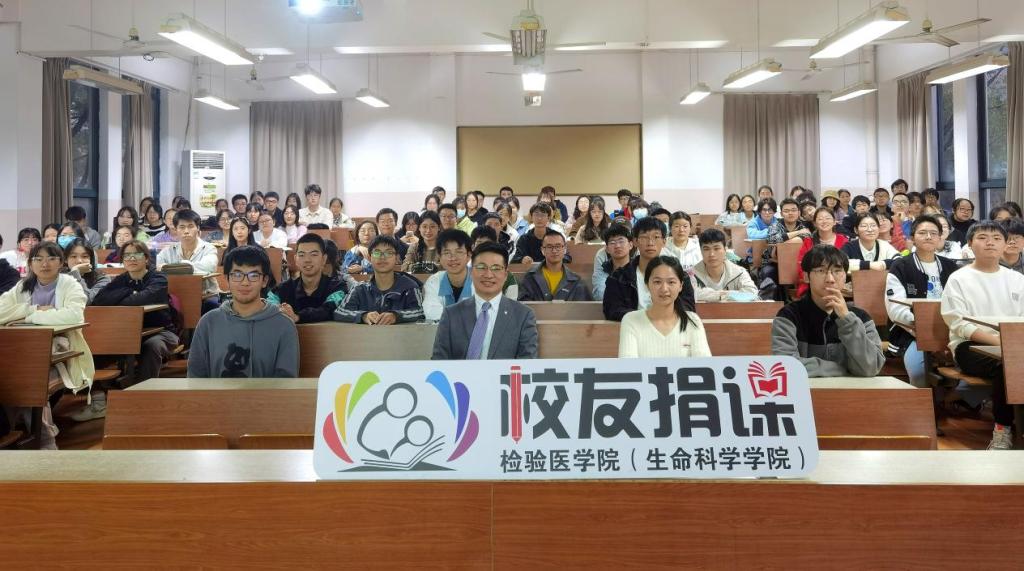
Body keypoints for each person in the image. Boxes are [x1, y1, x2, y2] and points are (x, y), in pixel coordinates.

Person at [0, 242, 94, 448]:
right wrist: (33, 309)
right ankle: (10, 435)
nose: (45, 264)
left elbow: (74, 315)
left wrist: (28, 317)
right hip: (22, 355)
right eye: (38, 259)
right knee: (12, 382)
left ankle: (45, 441)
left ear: (61, 263)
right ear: (30, 263)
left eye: (51, 258)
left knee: (28, 383)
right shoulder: (23, 286)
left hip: (61, 357)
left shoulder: (70, 284)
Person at [940, 221, 1024, 450]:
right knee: (1006, 365)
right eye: (982, 237)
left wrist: (1010, 344)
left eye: (997, 238)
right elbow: (958, 323)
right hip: (969, 346)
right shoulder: (959, 278)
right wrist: (1000, 342)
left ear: (1005, 244)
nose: (990, 243)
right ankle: (1002, 430)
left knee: (1014, 361)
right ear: (970, 243)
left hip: (1013, 346)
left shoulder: (1017, 279)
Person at [80, 240, 179, 420]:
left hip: (162, 332)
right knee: (95, 347)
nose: (132, 258)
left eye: (137, 254)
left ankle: (142, 400)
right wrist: (128, 292)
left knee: (151, 346)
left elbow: (141, 299)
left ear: (146, 258)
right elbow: (100, 300)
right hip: (127, 333)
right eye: (127, 255)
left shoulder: (158, 278)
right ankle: (99, 400)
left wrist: (122, 298)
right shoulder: (122, 279)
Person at [771, 244, 885, 377]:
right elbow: (785, 366)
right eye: (821, 271)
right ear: (806, 276)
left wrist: (847, 319)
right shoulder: (788, 316)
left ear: (845, 276)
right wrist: (840, 369)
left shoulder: (861, 318)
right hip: (806, 389)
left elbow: (872, 367)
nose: (830, 279)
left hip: (851, 390)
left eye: (837, 271)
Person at [187, 246, 299, 378]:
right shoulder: (208, 323)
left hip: (268, 393)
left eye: (253, 275)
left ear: (264, 281)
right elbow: (195, 376)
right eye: (237, 275)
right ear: (227, 279)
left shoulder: (284, 325)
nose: (245, 282)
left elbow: (286, 380)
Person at [884, 215, 959, 388]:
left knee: (967, 370)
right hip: (912, 332)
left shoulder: (950, 266)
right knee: (919, 374)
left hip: (950, 330)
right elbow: (896, 309)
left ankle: (953, 398)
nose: (928, 237)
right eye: (922, 233)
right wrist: (925, 329)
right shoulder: (901, 266)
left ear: (940, 237)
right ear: (912, 237)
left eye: (934, 233)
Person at [431, 242, 538, 359]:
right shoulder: (451, 314)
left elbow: (527, 362)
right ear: (471, 272)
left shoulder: (523, 315)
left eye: (496, 268)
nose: (488, 275)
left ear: (506, 275)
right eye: (481, 267)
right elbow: (439, 360)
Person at [604, 217, 694, 321]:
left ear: (664, 241)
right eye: (644, 237)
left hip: (669, 328)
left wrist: (658, 317)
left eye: (656, 237)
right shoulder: (618, 277)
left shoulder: (679, 276)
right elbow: (612, 310)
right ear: (635, 241)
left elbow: (688, 309)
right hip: (634, 328)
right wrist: (648, 317)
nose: (650, 243)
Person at [619, 256, 711, 358]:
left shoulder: (692, 320)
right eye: (657, 282)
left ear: (680, 286)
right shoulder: (631, 320)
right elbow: (628, 365)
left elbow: (704, 364)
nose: (664, 289)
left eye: (671, 282)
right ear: (647, 284)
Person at [334, 235, 424, 325]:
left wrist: (396, 316)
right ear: (370, 258)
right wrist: (363, 316)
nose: (382, 257)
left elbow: (420, 312)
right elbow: (340, 312)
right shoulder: (360, 288)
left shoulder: (409, 286)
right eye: (377, 253)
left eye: (388, 253)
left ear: (397, 258)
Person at [268, 234, 348, 324]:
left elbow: (328, 310)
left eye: (313, 255)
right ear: (295, 259)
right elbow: (269, 306)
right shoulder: (282, 289)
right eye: (302, 255)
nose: (307, 260)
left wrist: (297, 316)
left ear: (324, 259)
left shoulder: (337, 287)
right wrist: (279, 310)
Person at [155, 209, 220, 310]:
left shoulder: (208, 248)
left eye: (190, 226)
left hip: (206, 295)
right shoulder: (168, 250)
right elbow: (157, 268)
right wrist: (184, 268)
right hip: (176, 295)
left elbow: (209, 267)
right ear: (176, 229)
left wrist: (175, 267)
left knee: (211, 305)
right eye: (182, 227)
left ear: (198, 228)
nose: (186, 231)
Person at [518, 229, 592, 302]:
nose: (554, 251)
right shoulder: (530, 278)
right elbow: (523, 305)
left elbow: (583, 307)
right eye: (549, 247)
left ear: (565, 249)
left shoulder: (576, 281)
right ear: (542, 250)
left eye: (558, 246)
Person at [690, 228, 758, 302]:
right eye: (706, 249)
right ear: (701, 251)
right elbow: (691, 294)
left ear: (725, 250)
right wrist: (724, 295)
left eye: (716, 248)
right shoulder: (692, 274)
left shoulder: (739, 272)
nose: (711, 254)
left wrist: (719, 295)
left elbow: (752, 293)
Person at [795, 207, 849, 297]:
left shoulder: (843, 240)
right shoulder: (808, 242)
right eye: (820, 219)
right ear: (815, 223)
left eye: (828, 218)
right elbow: (801, 266)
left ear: (834, 222)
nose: (824, 221)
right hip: (813, 284)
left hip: (838, 284)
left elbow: (847, 265)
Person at [422, 229, 475, 321]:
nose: (453, 258)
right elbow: (432, 312)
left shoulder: (481, 279)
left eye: (459, 252)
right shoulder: (434, 281)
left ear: (469, 255)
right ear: (439, 256)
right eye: (447, 253)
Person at [469, 226, 520, 299]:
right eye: (479, 243)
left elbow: (512, 303)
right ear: (473, 247)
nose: (483, 248)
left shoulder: (507, 276)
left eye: (487, 244)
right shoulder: (464, 272)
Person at [592, 224, 634, 300]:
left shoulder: (638, 267)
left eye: (621, 241)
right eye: (612, 242)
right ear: (607, 249)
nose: (617, 246)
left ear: (630, 245)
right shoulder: (604, 269)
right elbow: (600, 294)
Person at [63, 239, 110, 303]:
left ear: (91, 259)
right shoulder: (58, 276)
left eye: (84, 256)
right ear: (66, 259)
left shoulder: (102, 278)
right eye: (73, 256)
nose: (79, 261)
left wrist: (75, 274)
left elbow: (86, 300)